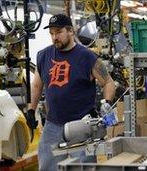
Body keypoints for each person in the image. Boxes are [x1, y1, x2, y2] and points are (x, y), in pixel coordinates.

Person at [25, 14, 116, 171]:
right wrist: (31, 110)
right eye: (52, 33)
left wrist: (107, 103)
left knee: (83, 168)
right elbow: (37, 86)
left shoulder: (87, 57)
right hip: (53, 125)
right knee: (47, 166)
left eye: (58, 32)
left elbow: (108, 82)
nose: (55, 37)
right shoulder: (44, 56)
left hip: (81, 126)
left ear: (70, 32)